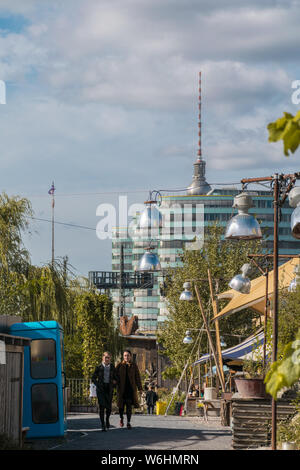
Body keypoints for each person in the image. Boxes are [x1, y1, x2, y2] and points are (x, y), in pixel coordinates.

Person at [116, 350, 143, 429]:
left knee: (129, 407)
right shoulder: (119, 365)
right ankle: (121, 418)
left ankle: (128, 422)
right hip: (121, 390)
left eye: (128, 355)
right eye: (125, 355)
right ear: (123, 357)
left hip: (130, 390)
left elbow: (137, 377)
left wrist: (140, 388)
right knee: (121, 407)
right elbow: (114, 375)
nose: (126, 357)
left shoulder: (134, 365)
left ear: (130, 356)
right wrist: (115, 383)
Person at [92, 351, 118, 432]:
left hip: (109, 389)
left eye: (108, 358)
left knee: (109, 408)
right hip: (101, 389)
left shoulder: (112, 367)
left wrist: (114, 383)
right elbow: (93, 378)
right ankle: (102, 424)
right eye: (106, 357)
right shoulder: (99, 367)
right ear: (102, 358)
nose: (107, 359)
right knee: (102, 407)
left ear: (110, 359)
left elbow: (116, 378)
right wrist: (98, 384)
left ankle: (107, 420)